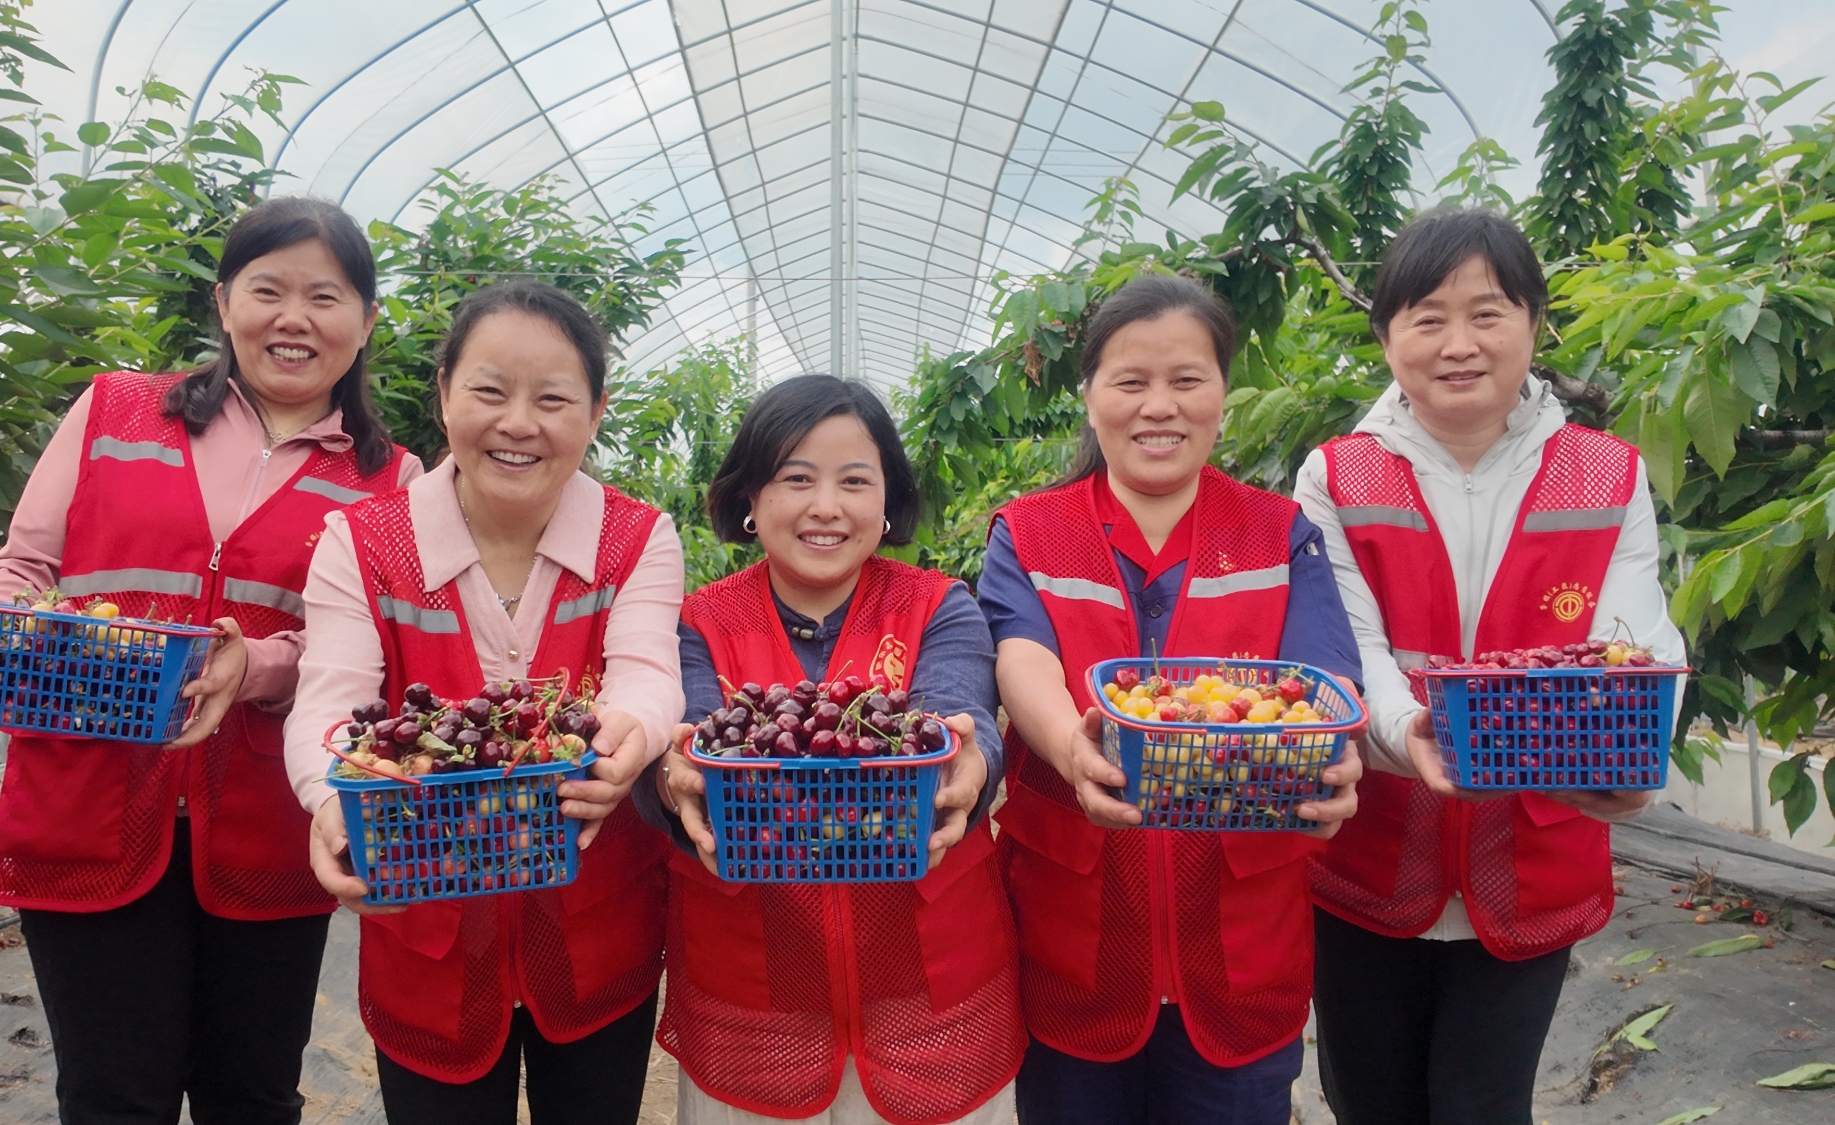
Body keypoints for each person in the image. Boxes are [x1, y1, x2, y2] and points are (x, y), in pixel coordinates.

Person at [0, 196, 419, 1123]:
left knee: (252, 1095)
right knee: (113, 1096)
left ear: (365, 321)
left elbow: (374, 657)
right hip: (87, 792)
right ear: (224, 302)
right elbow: (24, 565)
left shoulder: (390, 482)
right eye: (267, 290)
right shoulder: (116, 410)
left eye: (325, 297)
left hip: (267, 821)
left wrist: (257, 665)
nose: (294, 318)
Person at [1293, 207, 1685, 1125]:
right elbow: (1347, 648)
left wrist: (1636, 760)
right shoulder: (1338, 476)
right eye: (1427, 317)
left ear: (1534, 323)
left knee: (1484, 1103)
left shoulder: (1606, 473)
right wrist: (1410, 731)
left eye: (1488, 313)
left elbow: (1638, 642)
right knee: (1369, 1101)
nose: (1459, 344)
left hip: (1535, 855)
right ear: (1386, 335)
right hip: (1371, 855)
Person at [284, 279, 684, 1124]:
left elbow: (647, 672)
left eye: (553, 399)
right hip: (426, 936)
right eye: (490, 391)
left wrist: (632, 734)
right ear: (444, 394)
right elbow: (329, 703)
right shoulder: (363, 543)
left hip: (596, 931)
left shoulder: (637, 537)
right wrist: (329, 799)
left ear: (596, 411)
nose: (518, 423)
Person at [979, 274, 1365, 1125]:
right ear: (1090, 399)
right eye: (1131, 381)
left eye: (1188, 379)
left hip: (1241, 952)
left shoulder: (1278, 534)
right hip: (1073, 945)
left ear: (1223, 394)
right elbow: (1021, 658)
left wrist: (1332, 761)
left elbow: (1325, 681)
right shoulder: (1030, 533)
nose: (1160, 405)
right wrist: (1072, 747)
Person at [643, 374, 1024, 1124]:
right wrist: (669, 777)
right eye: (796, 479)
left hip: (929, 992)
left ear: (887, 501)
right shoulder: (698, 623)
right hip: (755, 994)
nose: (826, 506)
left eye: (854, 480)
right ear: (750, 498)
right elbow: (687, 741)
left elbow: (959, 711)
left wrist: (971, 764)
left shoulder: (938, 605)